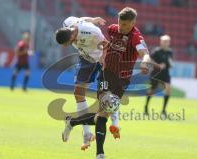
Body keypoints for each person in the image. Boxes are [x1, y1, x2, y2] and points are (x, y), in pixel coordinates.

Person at [61, 7, 160, 159]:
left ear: (133, 23)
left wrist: (146, 63)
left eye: (126, 25)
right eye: (120, 23)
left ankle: (72, 122)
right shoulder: (112, 29)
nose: (122, 27)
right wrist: (93, 23)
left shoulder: (135, 36)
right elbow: (84, 25)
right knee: (104, 113)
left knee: (101, 116)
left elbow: (144, 53)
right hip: (106, 75)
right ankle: (100, 154)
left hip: (123, 79)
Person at [55, 16, 120, 150]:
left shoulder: (91, 32)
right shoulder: (67, 22)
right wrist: (93, 18)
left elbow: (106, 44)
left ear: (72, 35)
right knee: (78, 93)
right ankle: (86, 134)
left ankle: (116, 123)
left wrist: (103, 59)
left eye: (67, 43)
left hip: (103, 57)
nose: (67, 46)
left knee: (106, 95)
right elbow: (80, 19)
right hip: (86, 59)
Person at [144, 35, 173, 118]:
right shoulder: (156, 51)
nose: (166, 43)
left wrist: (170, 64)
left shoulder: (170, 52)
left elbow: (170, 62)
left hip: (165, 74)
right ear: (161, 42)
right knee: (152, 91)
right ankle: (146, 107)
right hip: (156, 74)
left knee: (168, 90)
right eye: (164, 41)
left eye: (167, 41)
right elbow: (150, 61)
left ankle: (163, 110)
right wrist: (158, 65)